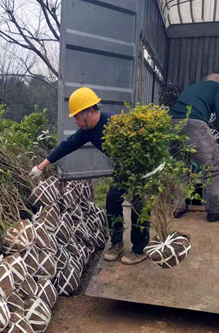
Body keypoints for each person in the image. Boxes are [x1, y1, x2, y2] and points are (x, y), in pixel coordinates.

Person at [30, 87, 149, 265]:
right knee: (112, 198)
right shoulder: (87, 131)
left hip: (141, 167)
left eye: (78, 116)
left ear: (91, 111)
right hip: (124, 168)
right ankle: (117, 243)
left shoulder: (115, 124)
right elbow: (67, 145)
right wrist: (42, 165)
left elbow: (143, 144)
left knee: (139, 204)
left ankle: (139, 249)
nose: (76, 121)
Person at [169, 72, 219, 222]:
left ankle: (177, 207)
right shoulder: (217, 88)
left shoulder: (193, 88)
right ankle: (215, 211)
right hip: (193, 123)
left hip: (171, 124)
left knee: (180, 167)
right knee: (214, 168)